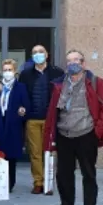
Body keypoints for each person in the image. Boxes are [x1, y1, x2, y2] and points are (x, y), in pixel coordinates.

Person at [43, 50, 103, 205]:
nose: (72, 63)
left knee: (88, 174)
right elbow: (53, 112)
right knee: (64, 175)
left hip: (86, 135)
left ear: (83, 64)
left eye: (76, 60)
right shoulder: (58, 84)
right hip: (64, 135)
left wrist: (97, 132)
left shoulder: (97, 83)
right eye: (68, 61)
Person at [18, 44, 64, 194]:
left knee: (50, 152)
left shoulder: (57, 73)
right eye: (34, 52)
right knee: (35, 152)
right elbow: (21, 94)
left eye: (40, 52)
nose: (38, 54)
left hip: (51, 119)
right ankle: (38, 182)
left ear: (47, 54)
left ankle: (49, 183)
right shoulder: (25, 74)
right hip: (32, 119)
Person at [0, 59, 29, 193]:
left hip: (13, 125)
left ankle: (10, 183)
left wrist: (23, 110)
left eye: (10, 70)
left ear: (15, 71)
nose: (7, 73)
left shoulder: (21, 87)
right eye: (5, 70)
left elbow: (26, 105)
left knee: (11, 157)